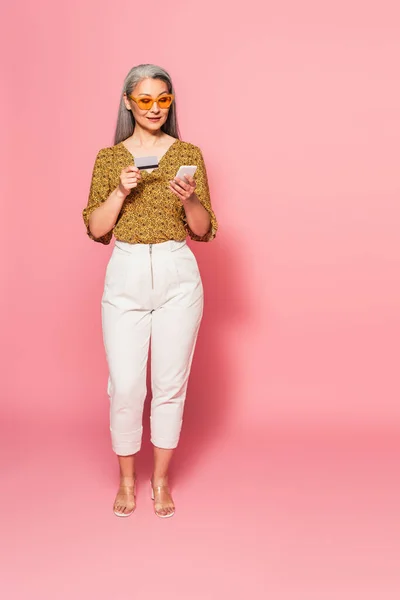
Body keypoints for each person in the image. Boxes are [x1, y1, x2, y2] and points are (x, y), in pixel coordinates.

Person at [82, 64, 218, 518]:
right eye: (145, 99)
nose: (155, 107)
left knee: (169, 383)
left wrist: (189, 198)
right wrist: (119, 193)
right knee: (125, 385)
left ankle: (160, 481)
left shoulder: (189, 153)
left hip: (178, 270)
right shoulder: (109, 158)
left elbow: (203, 230)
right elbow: (97, 230)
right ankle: (126, 480)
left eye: (163, 98)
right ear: (127, 102)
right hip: (127, 273)